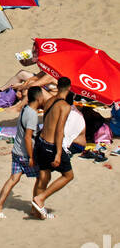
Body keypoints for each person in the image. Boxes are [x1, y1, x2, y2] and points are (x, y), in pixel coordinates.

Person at [0, 86, 44, 218]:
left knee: (13, 178)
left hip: (16, 150)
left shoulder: (25, 109)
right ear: (38, 98)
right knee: (40, 179)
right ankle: (34, 208)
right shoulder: (32, 114)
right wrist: (31, 157)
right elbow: (28, 137)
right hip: (25, 153)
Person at [31, 76, 75, 219]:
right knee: (68, 175)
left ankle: (36, 210)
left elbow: (47, 121)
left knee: (44, 177)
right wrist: (58, 154)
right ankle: (41, 198)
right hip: (51, 146)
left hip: (41, 143)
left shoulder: (49, 100)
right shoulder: (65, 106)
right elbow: (59, 130)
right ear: (68, 88)